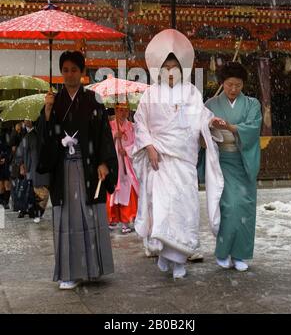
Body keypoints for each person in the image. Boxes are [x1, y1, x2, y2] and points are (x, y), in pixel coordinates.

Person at [132, 29, 224, 280]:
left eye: (175, 67)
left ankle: (179, 259)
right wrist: (149, 146)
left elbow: (201, 118)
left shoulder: (191, 93)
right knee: (163, 210)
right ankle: (164, 254)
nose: (170, 71)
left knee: (183, 209)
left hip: (183, 162)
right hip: (160, 159)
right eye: (166, 67)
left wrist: (211, 122)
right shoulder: (150, 94)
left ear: (181, 69)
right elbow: (140, 124)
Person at [37, 51, 118, 290]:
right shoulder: (54, 100)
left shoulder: (94, 100)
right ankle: (69, 272)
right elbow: (44, 137)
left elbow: (103, 134)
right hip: (64, 169)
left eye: (74, 70)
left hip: (88, 167)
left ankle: (92, 268)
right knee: (67, 220)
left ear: (82, 73)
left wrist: (104, 162)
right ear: (61, 72)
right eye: (65, 70)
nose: (70, 74)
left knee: (89, 215)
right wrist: (49, 112)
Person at [203, 62, 262, 272]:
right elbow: (200, 130)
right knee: (229, 207)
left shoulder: (252, 104)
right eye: (229, 85)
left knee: (245, 207)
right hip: (222, 161)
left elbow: (254, 128)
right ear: (222, 83)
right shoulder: (210, 104)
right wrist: (210, 127)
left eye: (237, 85)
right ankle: (223, 251)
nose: (233, 89)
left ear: (243, 84)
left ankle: (240, 254)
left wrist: (231, 127)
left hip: (244, 160)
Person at [106, 102, 139, 234]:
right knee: (114, 191)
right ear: (115, 110)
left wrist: (127, 150)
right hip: (115, 164)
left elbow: (138, 144)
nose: (123, 113)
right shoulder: (110, 126)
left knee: (127, 191)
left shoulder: (133, 127)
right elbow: (104, 143)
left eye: (125, 110)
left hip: (127, 164)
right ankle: (112, 219)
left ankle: (127, 220)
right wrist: (114, 138)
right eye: (119, 110)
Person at [17, 120, 50, 223]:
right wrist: (21, 164)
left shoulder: (39, 134)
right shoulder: (31, 135)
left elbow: (20, 152)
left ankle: (36, 212)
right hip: (37, 169)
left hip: (41, 169)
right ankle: (36, 212)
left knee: (42, 193)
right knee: (40, 192)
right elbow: (20, 152)